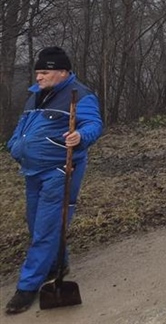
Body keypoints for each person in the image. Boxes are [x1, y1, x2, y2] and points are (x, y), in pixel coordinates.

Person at [5, 47, 103, 315]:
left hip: (60, 171)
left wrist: (81, 136)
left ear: (62, 72)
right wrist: (14, 145)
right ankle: (57, 263)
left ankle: (27, 287)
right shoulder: (36, 96)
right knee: (36, 222)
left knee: (46, 228)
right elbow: (22, 128)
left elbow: (94, 124)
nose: (38, 76)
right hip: (32, 172)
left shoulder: (79, 96)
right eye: (37, 72)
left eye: (44, 72)